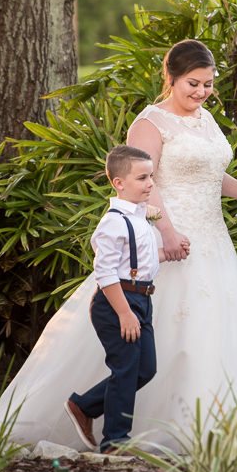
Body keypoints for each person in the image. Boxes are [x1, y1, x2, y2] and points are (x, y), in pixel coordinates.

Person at [0, 40, 237, 451]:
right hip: (163, 240)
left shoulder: (207, 120)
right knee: (155, 338)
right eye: (194, 83)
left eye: (209, 84)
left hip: (213, 240)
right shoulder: (150, 123)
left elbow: (212, 177)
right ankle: (116, 425)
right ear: (171, 77)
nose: (202, 92)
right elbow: (145, 184)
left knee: (212, 332)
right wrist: (168, 231)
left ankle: (210, 431)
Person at [64, 145, 167, 454]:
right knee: (125, 369)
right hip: (116, 304)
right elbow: (106, 271)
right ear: (119, 183)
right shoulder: (113, 222)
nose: (150, 183)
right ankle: (115, 441)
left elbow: (139, 261)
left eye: (151, 176)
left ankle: (84, 405)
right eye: (141, 178)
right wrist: (124, 313)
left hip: (141, 301)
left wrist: (168, 254)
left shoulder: (140, 217)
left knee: (144, 369)